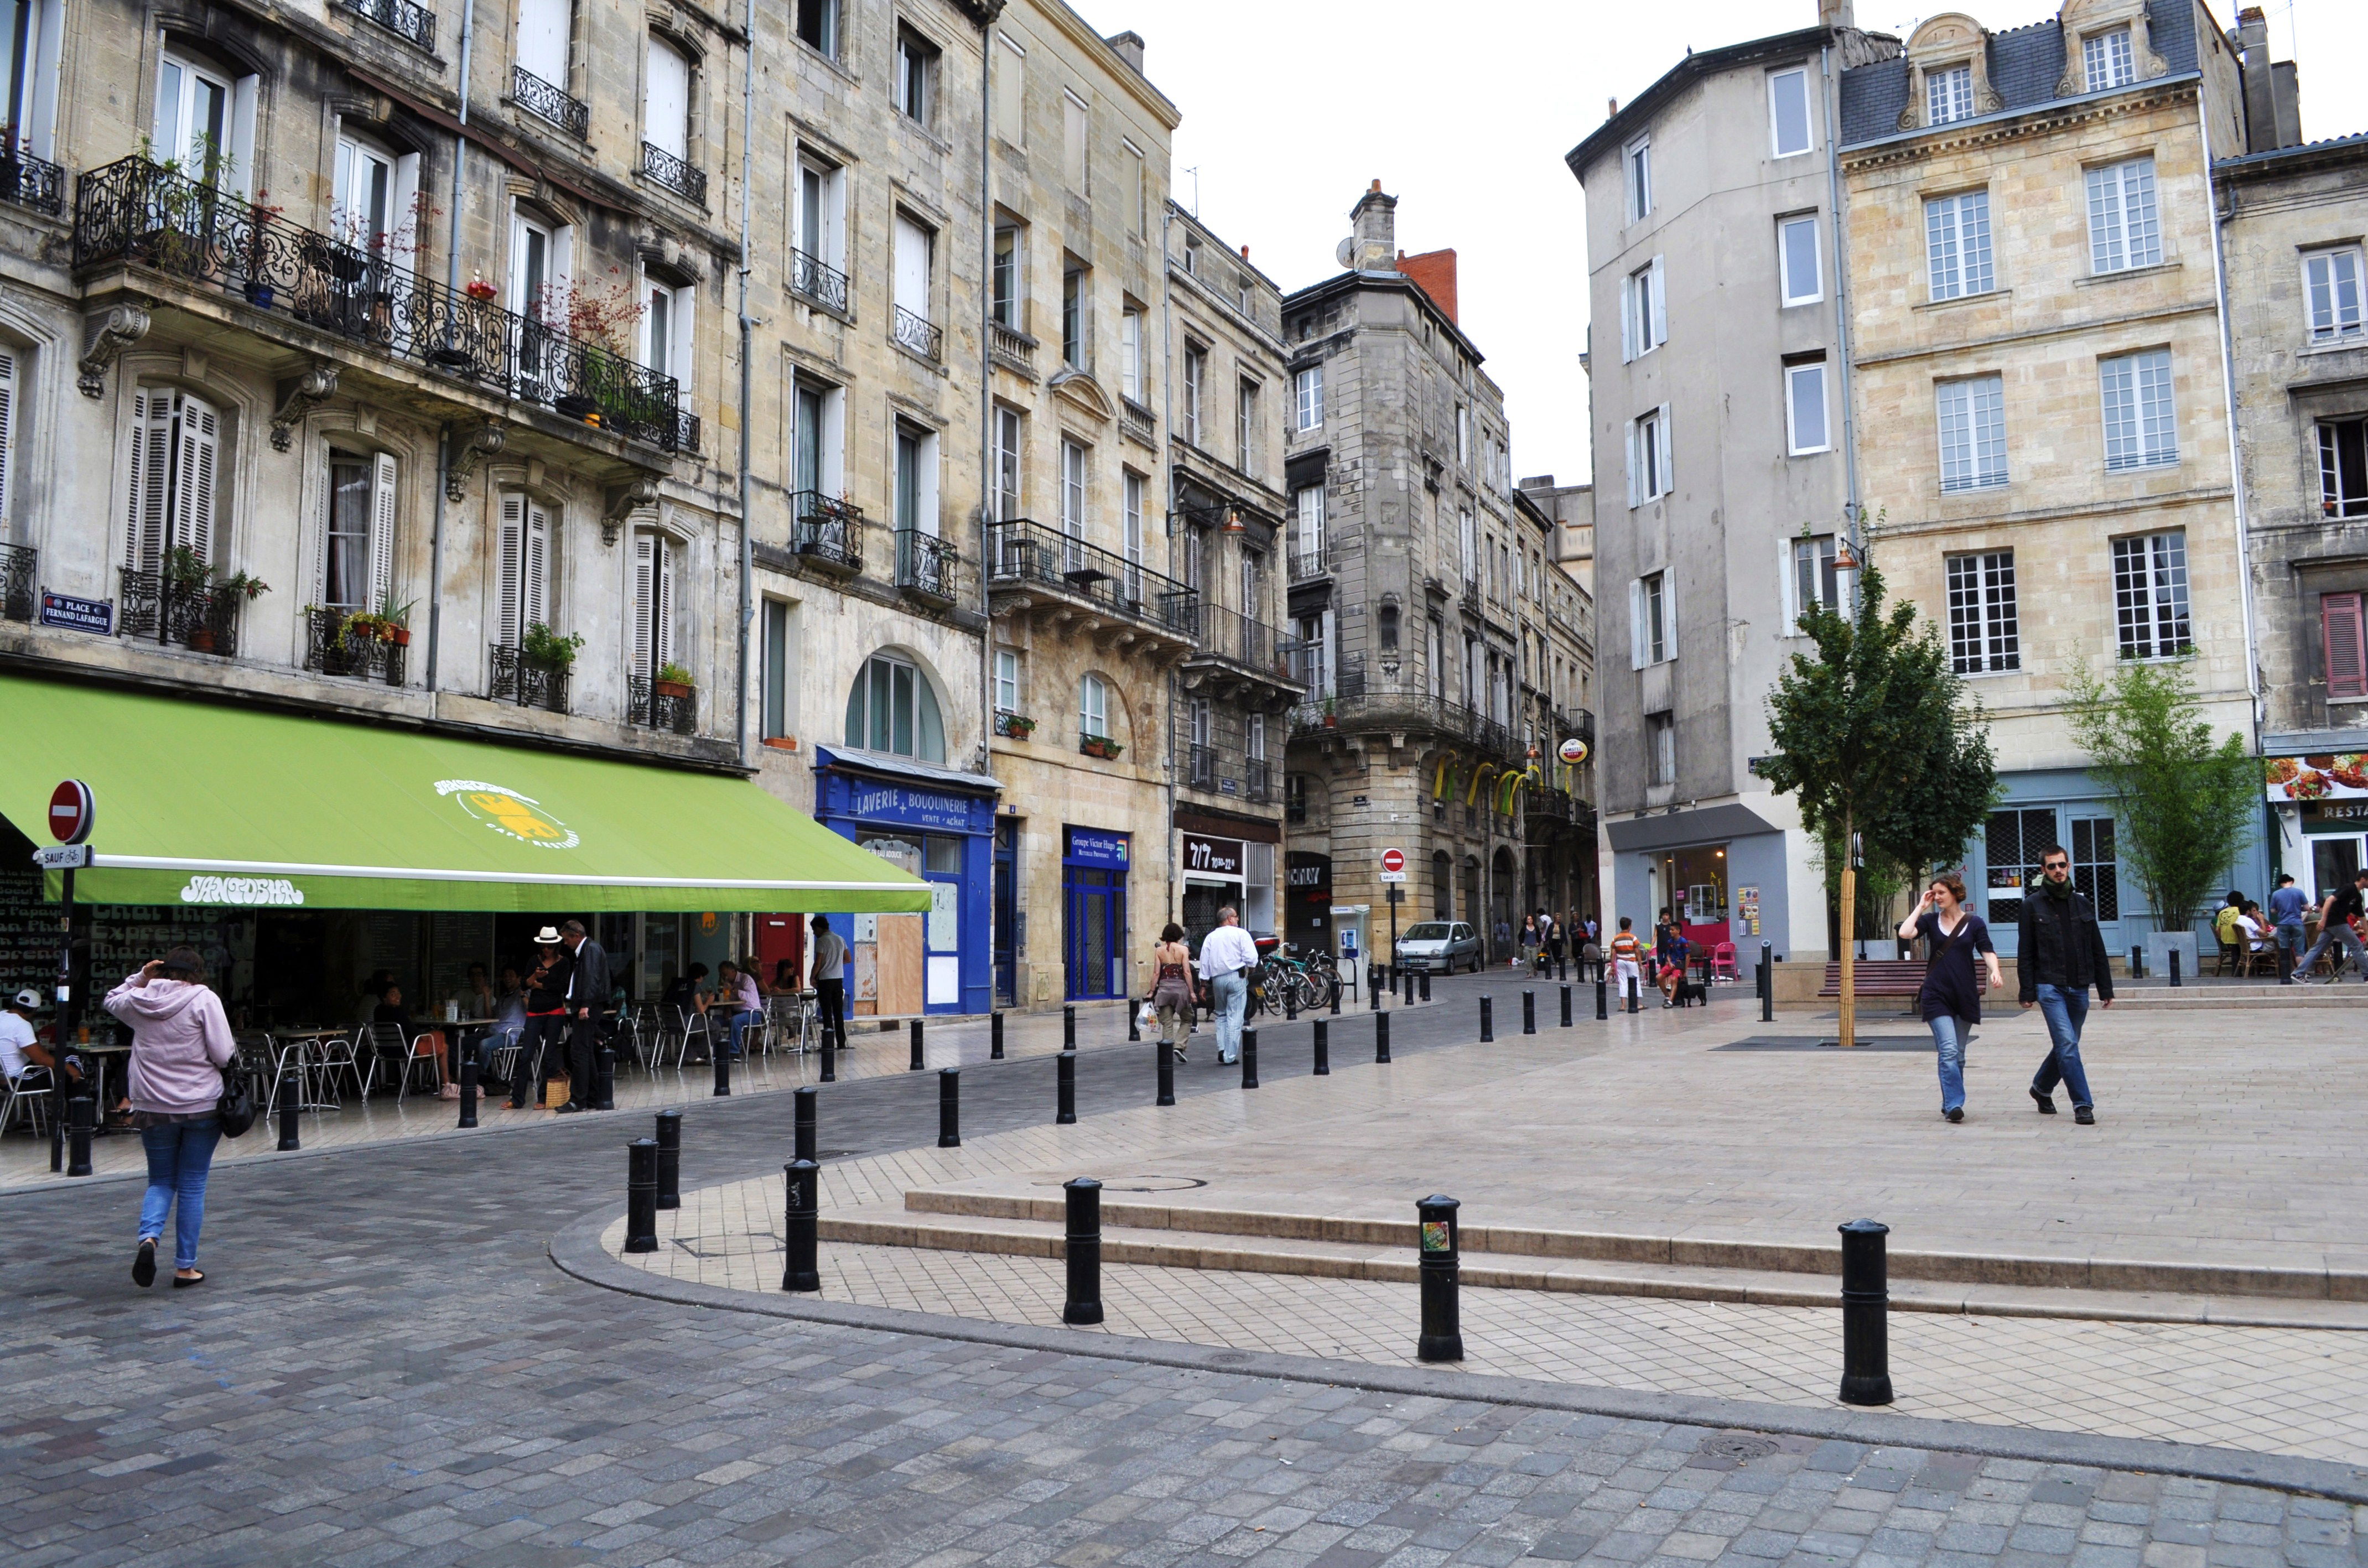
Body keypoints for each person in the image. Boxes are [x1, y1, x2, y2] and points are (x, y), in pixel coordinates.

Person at [107, 947, 236, 1289]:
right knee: (193, 1185)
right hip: (201, 1104)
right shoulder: (204, 999)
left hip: (153, 1107)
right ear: (198, 972)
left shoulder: (139, 999)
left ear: (161, 970)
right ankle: (185, 1268)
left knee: (161, 1181)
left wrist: (141, 977)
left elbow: (111, 999)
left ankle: (149, 1240)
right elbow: (224, 1054)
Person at [2015, 845, 2115, 1123]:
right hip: (2050, 986)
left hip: (2079, 986)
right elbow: (2026, 951)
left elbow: (2097, 946)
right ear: (2043, 870)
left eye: (2062, 865)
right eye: (2051, 866)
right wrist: (2027, 990)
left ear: (2069, 866)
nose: (2058, 871)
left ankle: (2041, 1088)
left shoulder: (2082, 903)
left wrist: (2105, 988)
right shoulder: (2031, 905)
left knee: (2067, 1044)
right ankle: (2083, 1104)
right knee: (2068, 1044)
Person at [1899, 873, 2003, 1124]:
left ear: (1956, 893)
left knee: (1958, 1055)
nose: (1937, 898)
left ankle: (1949, 1103)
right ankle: (1956, 1104)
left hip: (1964, 994)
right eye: (1933, 893)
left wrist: (1996, 971)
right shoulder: (1931, 920)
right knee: (1948, 1050)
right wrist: (1921, 907)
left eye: (1941, 893)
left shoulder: (1975, 923)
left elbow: (1987, 951)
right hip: (1936, 994)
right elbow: (1905, 933)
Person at [511, 931, 573, 1108]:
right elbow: (523, 985)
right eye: (544, 946)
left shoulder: (564, 963)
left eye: (550, 946)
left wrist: (537, 985)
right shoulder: (534, 961)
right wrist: (535, 978)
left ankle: (544, 1097)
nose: (546, 949)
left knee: (549, 1055)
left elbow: (561, 988)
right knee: (526, 1055)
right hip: (535, 1012)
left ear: (556, 946)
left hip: (555, 1011)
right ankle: (517, 1098)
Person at [558, 919, 611, 1112]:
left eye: (566, 939)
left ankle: (578, 1100)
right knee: (585, 1050)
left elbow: (591, 978)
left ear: (576, 936)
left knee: (579, 1051)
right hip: (585, 1004)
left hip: (587, 1005)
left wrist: (586, 1005)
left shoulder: (590, 950)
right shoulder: (587, 951)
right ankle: (592, 1097)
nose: (565, 943)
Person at [1197, 906, 1259, 1066]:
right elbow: (1251, 957)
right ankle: (1229, 1055)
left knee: (1221, 1014)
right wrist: (1250, 969)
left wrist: (1203, 985)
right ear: (1230, 918)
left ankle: (1222, 1049)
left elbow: (1205, 962)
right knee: (1235, 1015)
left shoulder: (1211, 937)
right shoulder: (1241, 934)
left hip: (1217, 979)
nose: (1238, 920)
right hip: (1236, 976)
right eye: (1236, 917)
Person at [373, 983, 458, 1099]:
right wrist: (428, 1031)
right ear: (384, 998)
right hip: (407, 1050)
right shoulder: (398, 1012)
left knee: (436, 1038)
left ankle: (441, 1079)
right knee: (441, 1039)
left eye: (398, 993)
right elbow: (415, 1032)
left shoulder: (378, 1011)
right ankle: (446, 1083)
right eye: (393, 994)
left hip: (385, 1050)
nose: (398, 996)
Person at [2294, 869, 2368, 984]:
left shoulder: (2357, 897)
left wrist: (2367, 935)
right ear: (2363, 879)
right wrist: (2323, 920)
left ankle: (2298, 973)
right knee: (2356, 946)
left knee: (2318, 948)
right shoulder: (2348, 888)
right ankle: (2367, 976)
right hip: (2336, 922)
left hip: (2333, 924)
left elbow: (2362, 916)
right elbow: (2329, 900)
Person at [1150, 922, 1198, 1063]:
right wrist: (1192, 993)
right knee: (1187, 1018)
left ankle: (1166, 1051)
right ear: (1179, 936)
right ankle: (1179, 1045)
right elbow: (1187, 972)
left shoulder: (1159, 951)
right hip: (1180, 990)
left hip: (1164, 990)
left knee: (1167, 1022)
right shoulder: (1183, 949)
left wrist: (1152, 991)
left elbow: (1156, 973)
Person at [808, 918, 848, 1056]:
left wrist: (812, 977)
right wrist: (836, 963)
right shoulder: (840, 939)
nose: (814, 933)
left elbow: (818, 963)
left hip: (825, 980)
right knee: (838, 1013)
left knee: (826, 1012)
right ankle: (842, 1043)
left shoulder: (822, 941)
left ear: (819, 928)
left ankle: (828, 1043)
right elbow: (848, 959)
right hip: (838, 980)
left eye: (814, 930)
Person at [714, 959, 762, 1061]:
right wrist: (727, 1008)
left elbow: (749, 998)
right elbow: (729, 1000)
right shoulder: (727, 983)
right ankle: (716, 1050)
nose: (724, 977)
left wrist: (733, 989)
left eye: (725, 974)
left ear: (733, 971)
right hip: (735, 1012)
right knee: (715, 1021)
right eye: (722, 974)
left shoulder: (746, 979)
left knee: (736, 1020)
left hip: (752, 1012)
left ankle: (734, 1052)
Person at [2268, 872, 2310, 983]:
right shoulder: (2299, 892)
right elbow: (2307, 907)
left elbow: (2272, 910)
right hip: (2297, 923)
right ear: (2290, 881)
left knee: (2284, 949)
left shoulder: (2276, 894)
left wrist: (2280, 910)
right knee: (2299, 951)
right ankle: (2301, 975)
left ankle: (2286, 976)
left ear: (2281, 883)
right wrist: (2298, 908)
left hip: (2283, 924)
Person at [1608, 917, 1644, 1005]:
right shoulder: (1633, 938)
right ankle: (1638, 1004)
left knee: (1623, 982)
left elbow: (1613, 954)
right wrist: (1640, 964)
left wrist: (1613, 966)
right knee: (1636, 981)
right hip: (1631, 962)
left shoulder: (1615, 938)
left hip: (1620, 962)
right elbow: (1637, 952)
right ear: (1629, 927)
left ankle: (1623, 1005)